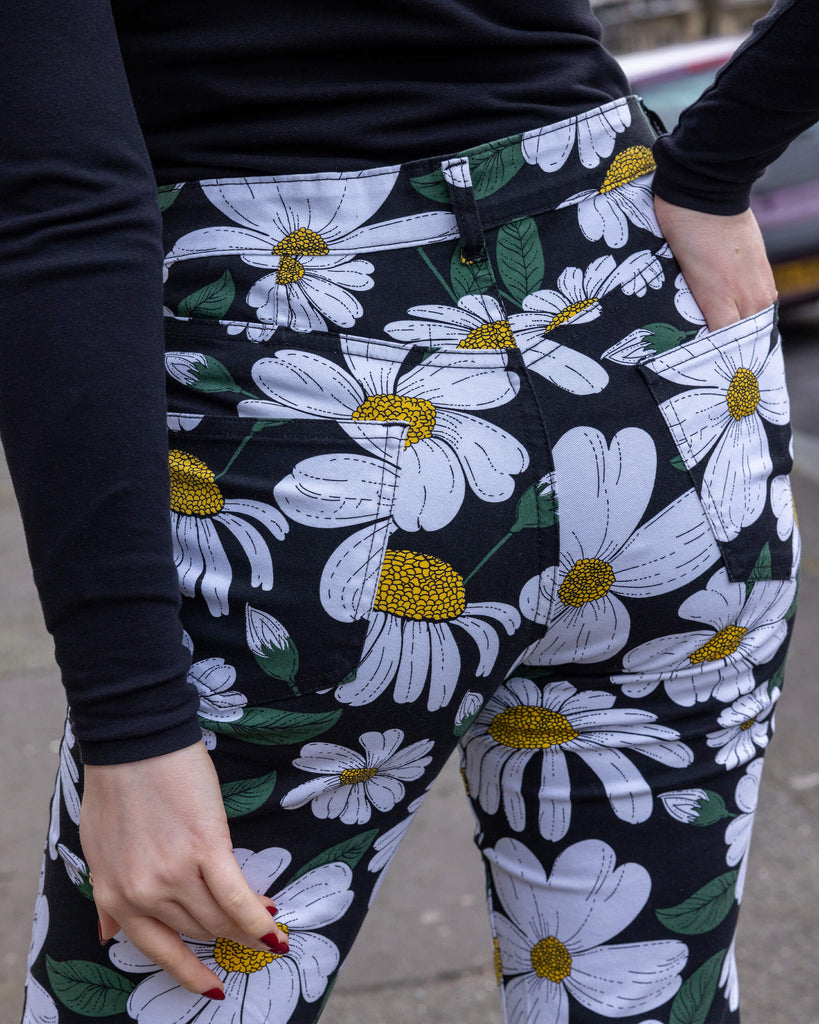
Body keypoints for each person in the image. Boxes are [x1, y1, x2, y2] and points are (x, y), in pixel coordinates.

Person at [0, 0, 814, 1021]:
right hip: (647, 354)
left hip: (298, 413)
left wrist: (134, 728)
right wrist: (717, 163)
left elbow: (60, 200)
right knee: (642, 993)